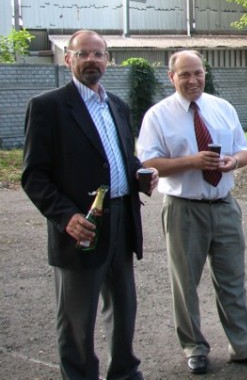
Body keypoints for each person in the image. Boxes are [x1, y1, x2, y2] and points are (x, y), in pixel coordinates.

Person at [21, 29, 158, 380]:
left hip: (121, 221)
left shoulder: (118, 105)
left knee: (124, 308)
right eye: (83, 54)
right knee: (77, 320)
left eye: (99, 54)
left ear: (108, 60)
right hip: (81, 226)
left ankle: (125, 373)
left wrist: (141, 174)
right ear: (68, 58)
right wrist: (65, 216)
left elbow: (121, 159)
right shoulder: (48, 107)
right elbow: (34, 175)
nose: (92, 60)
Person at [136, 50, 247, 375]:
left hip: (224, 206)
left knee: (233, 281)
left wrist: (233, 162)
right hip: (184, 210)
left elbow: (243, 150)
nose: (192, 80)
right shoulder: (157, 116)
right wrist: (191, 162)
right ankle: (194, 348)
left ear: (204, 73)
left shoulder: (222, 108)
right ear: (172, 77)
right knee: (185, 284)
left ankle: (243, 347)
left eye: (197, 73)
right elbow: (147, 163)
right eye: (184, 74)